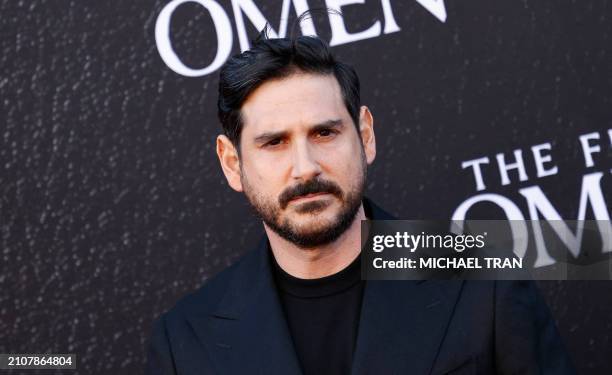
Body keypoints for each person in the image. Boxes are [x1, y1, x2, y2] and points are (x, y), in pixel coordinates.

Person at [145, 31, 575, 375]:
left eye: (324, 133)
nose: (305, 167)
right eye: (274, 142)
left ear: (365, 135)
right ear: (232, 164)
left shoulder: (484, 282)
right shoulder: (185, 342)